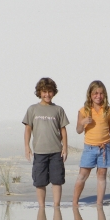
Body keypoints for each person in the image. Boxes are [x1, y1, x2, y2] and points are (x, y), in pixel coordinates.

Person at [23, 77, 69, 207]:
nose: (47, 94)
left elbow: (63, 130)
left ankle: (56, 206)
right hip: (39, 152)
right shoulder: (32, 109)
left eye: (49, 91)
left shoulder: (58, 110)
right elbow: (27, 129)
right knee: (40, 181)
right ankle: (41, 207)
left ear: (54, 92)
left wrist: (65, 147)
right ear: (39, 93)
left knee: (57, 180)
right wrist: (27, 147)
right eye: (44, 92)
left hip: (56, 152)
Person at [73, 80, 110, 206]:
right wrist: (82, 123)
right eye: (95, 93)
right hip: (89, 148)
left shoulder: (108, 110)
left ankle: (99, 203)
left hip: (105, 147)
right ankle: (75, 202)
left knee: (102, 174)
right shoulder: (84, 111)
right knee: (83, 174)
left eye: (101, 93)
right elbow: (78, 130)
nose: (98, 96)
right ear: (90, 95)